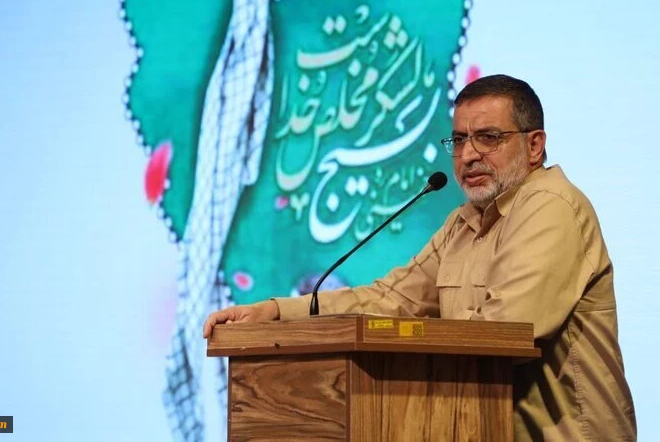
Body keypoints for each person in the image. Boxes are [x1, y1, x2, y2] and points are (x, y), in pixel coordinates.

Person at [203, 74, 637, 441]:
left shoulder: (550, 206)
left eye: (488, 138)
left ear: (535, 145)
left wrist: (404, 340)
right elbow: (391, 299)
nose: (469, 155)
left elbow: (503, 332)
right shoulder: (463, 223)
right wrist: (276, 313)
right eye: (460, 140)